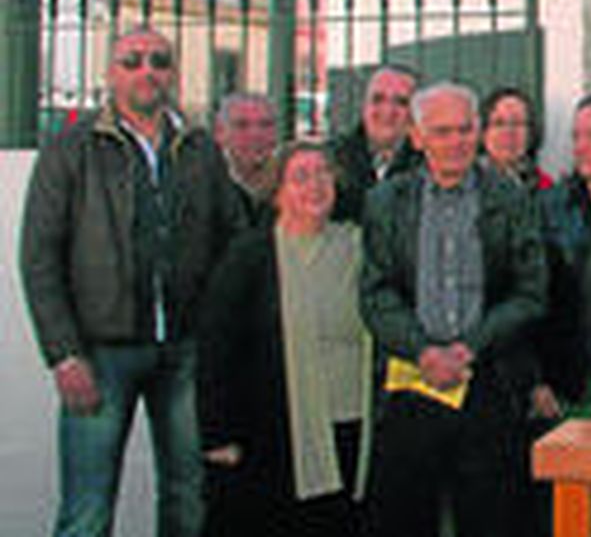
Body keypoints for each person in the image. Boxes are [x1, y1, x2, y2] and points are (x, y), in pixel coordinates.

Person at [20, 26, 244, 537]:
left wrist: (217, 337)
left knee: (190, 498)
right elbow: (40, 256)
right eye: (133, 61)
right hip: (99, 353)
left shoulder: (200, 149)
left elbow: (231, 240)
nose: (148, 71)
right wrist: (62, 352)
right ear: (110, 73)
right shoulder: (72, 149)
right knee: (88, 509)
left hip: (185, 353)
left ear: (172, 71)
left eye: (159, 60)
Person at [359, 82, 546, 537]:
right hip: (411, 386)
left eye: (465, 130)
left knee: (492, 519)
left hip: (486, 384)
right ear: (417, 137)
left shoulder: (508, 198)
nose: (456, 142)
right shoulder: (387, 201)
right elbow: (375, 293)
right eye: (442, 132)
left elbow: (531, 292)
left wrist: (470, 348)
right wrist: (423, 352)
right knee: (403, 520)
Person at [198, 142, 372, 537]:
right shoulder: (249, 257)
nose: (315, 185)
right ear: (277, 193)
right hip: (275, 434)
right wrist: (218, 434)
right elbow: (217, 349)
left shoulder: (360, 247)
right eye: (300, 177)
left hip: (353, 427)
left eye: (323, 173)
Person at [523, 95, 591, 537]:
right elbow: (528, 300)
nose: (580, 146)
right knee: (570, 507)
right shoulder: (549, 208)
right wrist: (534, 378)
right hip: (566, 379)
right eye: (575, 136)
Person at [331, 65, 422, 222]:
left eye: (401, 102)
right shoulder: (333, 159)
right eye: (378, 99)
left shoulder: (430, 164)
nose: (388, 111)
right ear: (364, 106)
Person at [213, 92, 280, 228]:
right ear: (220, 133)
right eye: (242, 125)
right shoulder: (206, 189)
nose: (255, 135)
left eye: (265, 125)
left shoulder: (291, 186)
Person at [480, 86, 553, 191]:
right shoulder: (465, 183)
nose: (508, 132)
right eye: (499, 123)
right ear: (484, 133)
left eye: (517, 123)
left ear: (530, 133)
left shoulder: (545, 186)